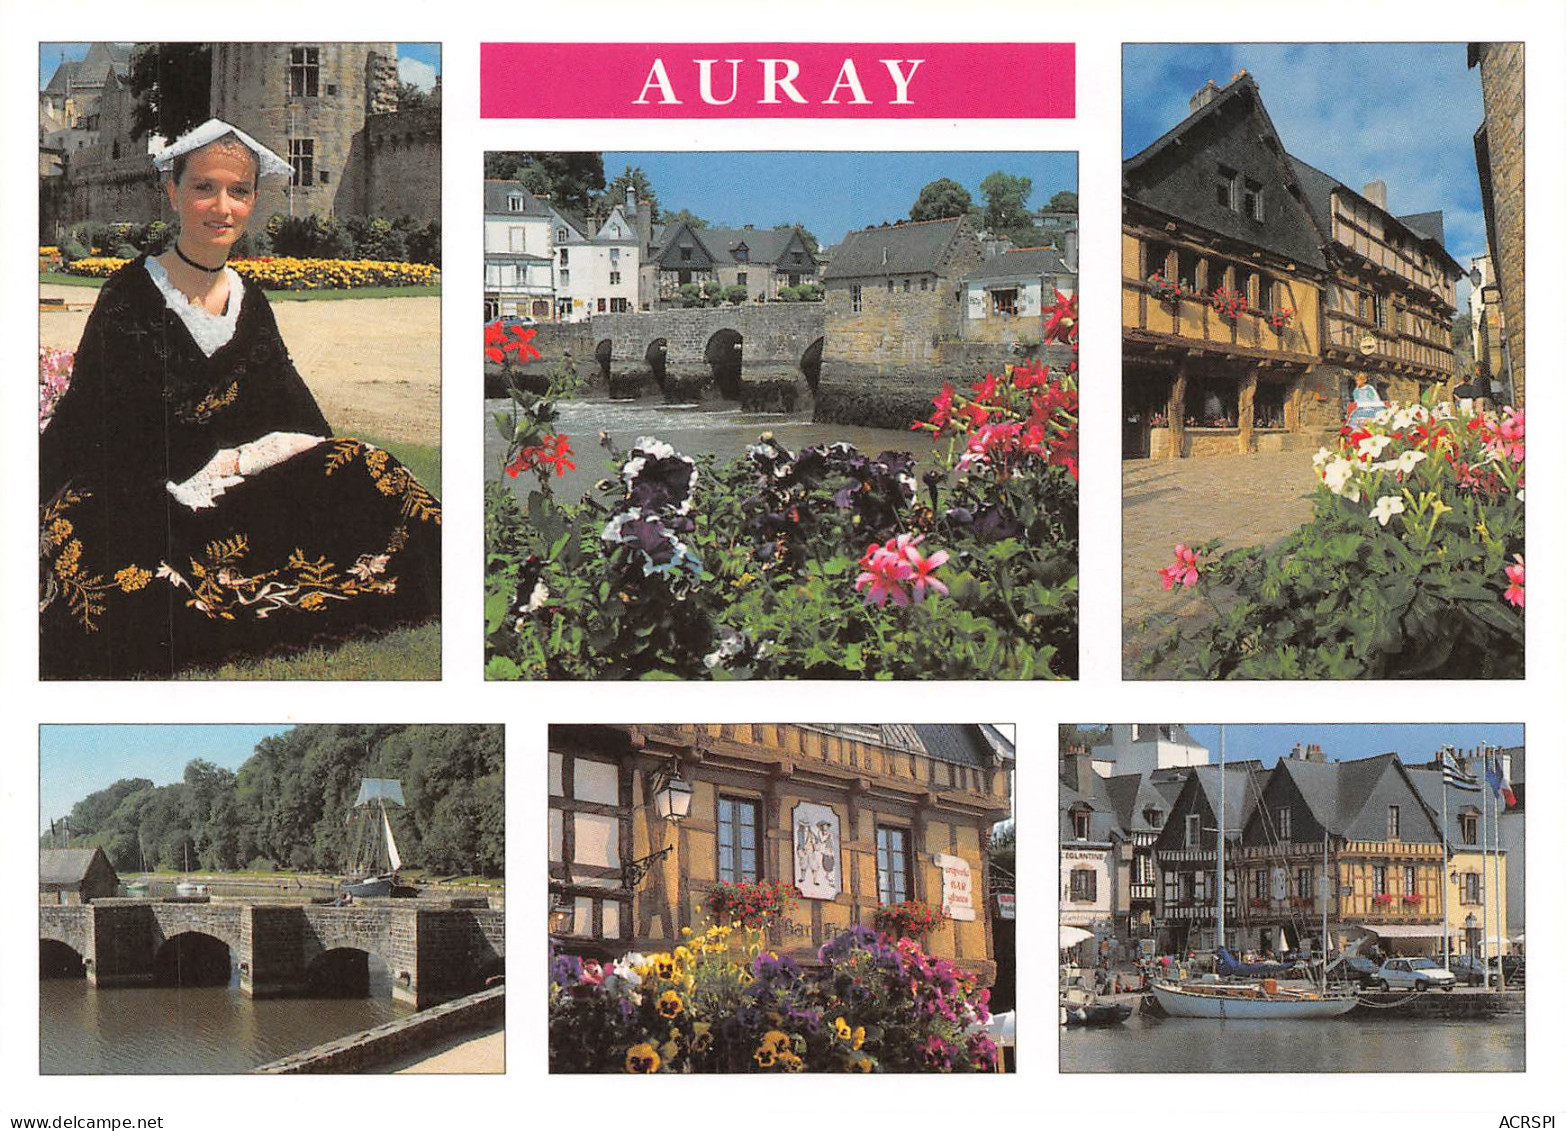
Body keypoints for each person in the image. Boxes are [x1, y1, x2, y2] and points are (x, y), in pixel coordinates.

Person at [40, 120, 441, 678]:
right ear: (173, 192)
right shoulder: (129, 296)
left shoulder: (250, 304)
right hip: (141, 492)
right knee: (125, 584)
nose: (221, 207)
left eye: (238, 191)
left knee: (368, 469)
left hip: (230, 494)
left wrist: (256, 465)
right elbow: (100, 426)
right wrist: (191, 475)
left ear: (253, 199)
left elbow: (295, 415)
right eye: (204, 187)